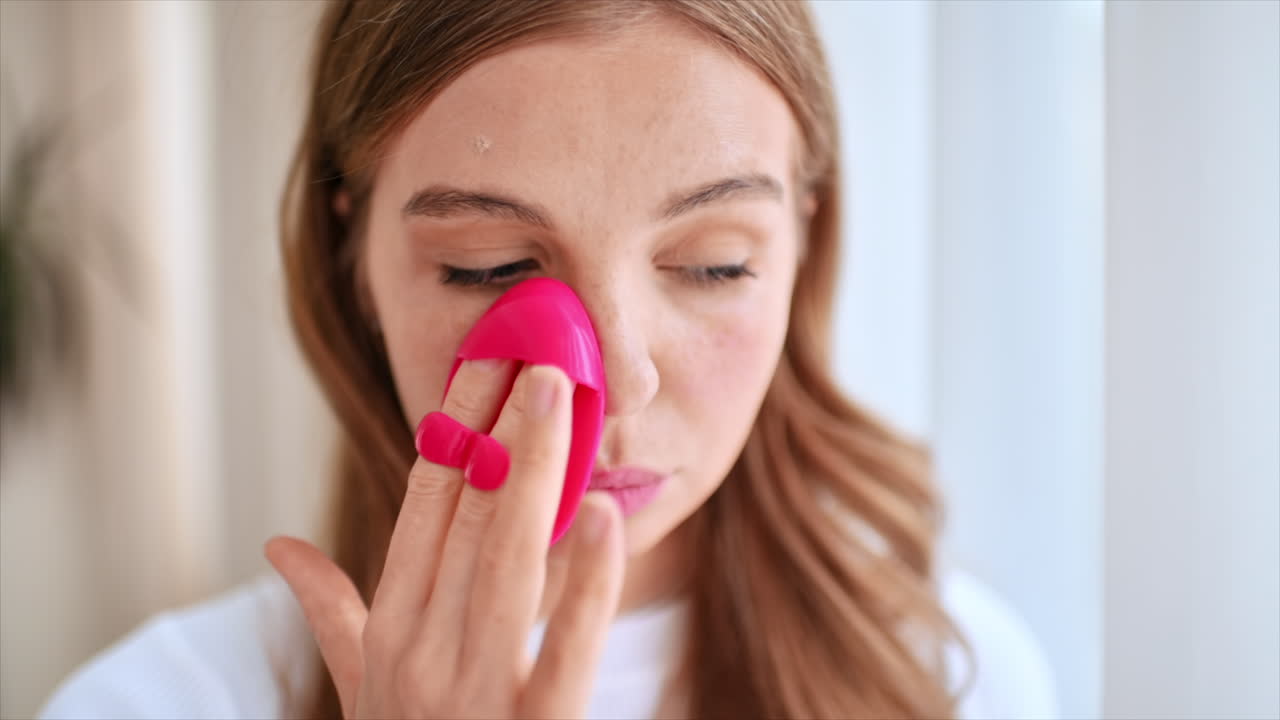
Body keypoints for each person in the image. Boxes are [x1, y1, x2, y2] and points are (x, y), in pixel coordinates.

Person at [40, 1, 1058, 718]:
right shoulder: (155, 704)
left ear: (801, 242)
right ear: (352, 259)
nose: (614, 377)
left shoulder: (953, 679)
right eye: (492, 269)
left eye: (713, 266)